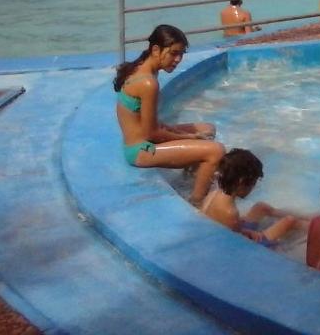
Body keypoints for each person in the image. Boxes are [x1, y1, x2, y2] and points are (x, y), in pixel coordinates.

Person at [113, 25, 225, 204]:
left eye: (181, 54)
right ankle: (197, 201)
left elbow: (149, 124)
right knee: (216, 151)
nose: (178, 59)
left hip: (142, 140)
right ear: (156, 49)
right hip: (140, 151)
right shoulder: (148, 83)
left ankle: (191, 178)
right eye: (173, 53)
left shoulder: (142, 69)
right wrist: (191, 137)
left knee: (208, 129)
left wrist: (188, 135)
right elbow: (151, 134)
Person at [200, 149, 299, 244]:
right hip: (240, 245)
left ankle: (308, 218)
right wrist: (253, 234)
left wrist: (243, 230)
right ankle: (308, 226)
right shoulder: (230, 212)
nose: (253, 188)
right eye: (254, 183)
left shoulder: (214, 193)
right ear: (241, 182)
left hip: (227, 231)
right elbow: (236, 243)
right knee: (289, 221)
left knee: (261, 207)